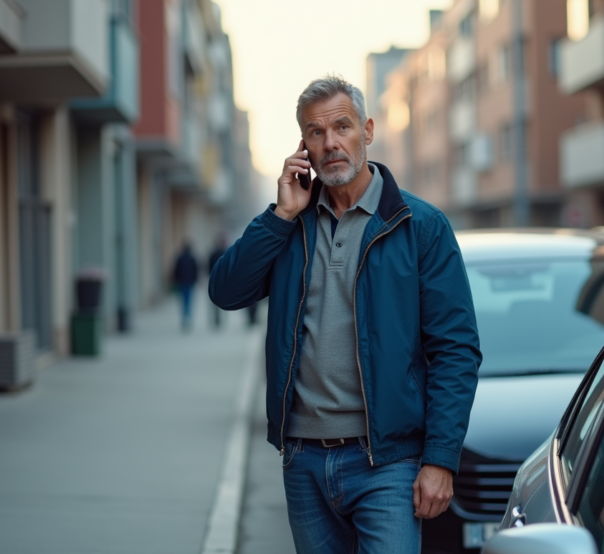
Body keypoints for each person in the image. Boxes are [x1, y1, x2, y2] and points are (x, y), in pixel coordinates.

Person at [209, 76, 481, 553]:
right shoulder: (288, 227)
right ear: (303, 147)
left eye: (342, 126)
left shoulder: (421, 227)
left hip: (389, 462)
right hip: (304, 460)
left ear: (367, 130)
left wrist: (441, 459)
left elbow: (455, 350)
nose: (330, 142)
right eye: (315, 133)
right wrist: (280, 215)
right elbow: (226, 291)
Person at [171, 241, 199, 331]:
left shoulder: (180, 258)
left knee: (183, 301)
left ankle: (184, 319)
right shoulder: (192, 258)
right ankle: (188, 318)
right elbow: (195, 270)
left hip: (182, 283)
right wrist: (195, 280)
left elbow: (176, 270)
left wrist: (176, 280)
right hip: (190, 282)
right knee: (189, 301)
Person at [207, 236, 228, 328]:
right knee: (223, 299)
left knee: (214, 300)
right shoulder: (225, 253)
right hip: (223, 280)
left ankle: (216, 318)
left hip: (214, 279)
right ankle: (221, 318)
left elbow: (209, 267)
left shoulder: (213, 254)